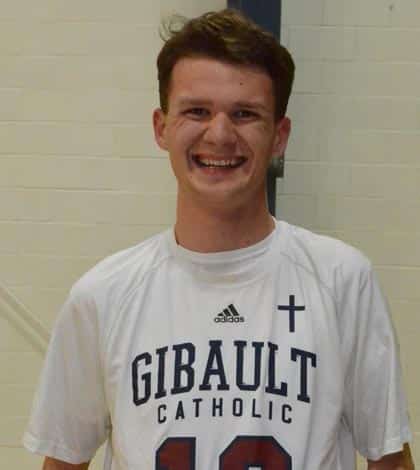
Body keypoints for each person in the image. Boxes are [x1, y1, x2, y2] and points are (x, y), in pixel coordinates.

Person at [23, 9, 413, 470]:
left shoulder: (343, 281)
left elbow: (389, 460)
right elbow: (64, 461)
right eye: (196, 111)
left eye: (245, 114)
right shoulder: (102, 296)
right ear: (161, 127)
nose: (220, 134)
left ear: (280, 136)